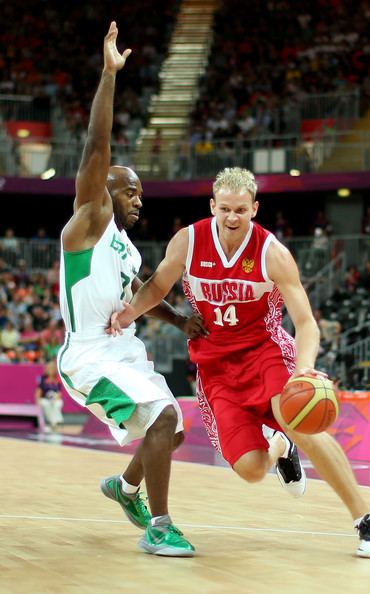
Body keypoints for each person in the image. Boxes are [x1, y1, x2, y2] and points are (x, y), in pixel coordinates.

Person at [109, 167, 370, 559]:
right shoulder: (188, 241)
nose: (232, 217)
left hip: (265, 353)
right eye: (225, 208)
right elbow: (157, 285)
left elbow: (307, 323)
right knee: (252, 469)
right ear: (213, 206)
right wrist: (128, 313)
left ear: (254, 208)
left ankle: (366, 521)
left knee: (302, 421)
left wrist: (303, 369)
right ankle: (280, 448)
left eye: (241, 209)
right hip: (216, 368)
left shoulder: (272, 253)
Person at [57, 22, 207, 557]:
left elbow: (142, 291)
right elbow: (96, 149)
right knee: (163, 420)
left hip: (122, 347)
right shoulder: (90, 220)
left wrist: (180, 318)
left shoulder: (126, 246)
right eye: (131, 190)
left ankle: (124, 489)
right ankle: (161, 526)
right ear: (107, 192)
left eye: (142, 192)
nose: (139, 199)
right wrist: (108, 76)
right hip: (89, 357)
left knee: (172, 429)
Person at [35, 360, 64, 432]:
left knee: (58, 403)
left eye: (51, 368)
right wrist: (37, 402)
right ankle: (55, 422)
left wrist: (55, 398)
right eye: (48, 368)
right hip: (44, 399)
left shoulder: (57, 379)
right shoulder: (42, 378)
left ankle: (53, 423)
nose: (50, 370)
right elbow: (38, 392)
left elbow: (59, 393)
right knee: (46, 404)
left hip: (55, 399)